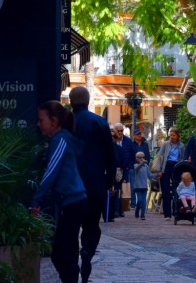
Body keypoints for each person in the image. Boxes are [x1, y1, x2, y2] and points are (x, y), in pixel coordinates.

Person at [31, 101, 88, 283]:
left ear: (53, 121)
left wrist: (36, 200)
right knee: (66, 252)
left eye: (41, 120)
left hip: (73, 202)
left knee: (61, 253)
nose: (39, 124)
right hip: (73, 202)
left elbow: (51, 172)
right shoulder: (62, 138)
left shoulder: (60, 139)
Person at [68, 86, 116, 282]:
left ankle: (71, 266)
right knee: (91, 226)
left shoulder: (66, 123)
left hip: (70, 186)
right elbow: (110, 154)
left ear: (71, 102)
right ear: (87, 101)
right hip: (95, 184)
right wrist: (110, 180)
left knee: (70, 227)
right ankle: (87, 251)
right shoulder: (100, 122)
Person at [152, 126, 184, 219]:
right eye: (170, 135)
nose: (172, 137)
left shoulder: (181, 146)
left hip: (176, 167)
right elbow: (159, 156)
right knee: (165, 190)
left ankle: (176, 211)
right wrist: (159, 169)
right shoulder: (165, 144)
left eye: (174, 135)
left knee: (176, 190)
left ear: (177, 136)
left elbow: (182, 158)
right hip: (166, 167)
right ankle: (167, 214)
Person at [111, 123, 133, 217]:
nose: (120, 132)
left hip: (125, 168)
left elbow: (132, 154)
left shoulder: (128, 141)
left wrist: (129, 165)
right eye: (118, 131)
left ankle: (121, 209)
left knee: (122, 189)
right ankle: (116, 209)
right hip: (114, 167)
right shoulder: (112, 141)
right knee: (115, 189)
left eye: (121, 131)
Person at [128, 128, 151, 211]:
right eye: (137, 134)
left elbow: (147, 155)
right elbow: (130, 155)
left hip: (143, 167)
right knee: (134, 185)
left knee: (143, 184)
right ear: (134, 135)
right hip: (134, 167)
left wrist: (146, 165)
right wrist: (131, 165)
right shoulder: (131, 144)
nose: (139, 135)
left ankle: (142, 204)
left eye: (140, 134)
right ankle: (134, 204)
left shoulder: (145, 144)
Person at [132, 152, 151, 220]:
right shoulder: (135, 165)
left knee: (144, 201)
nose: (142, 159)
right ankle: (137, 210)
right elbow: (137, 168)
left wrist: (157, 175)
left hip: (144, 186)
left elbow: (149, 175)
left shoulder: (146, 166)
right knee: (139, 200)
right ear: (136, 158)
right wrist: (142, 163)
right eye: (140, 158)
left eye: (143, 157)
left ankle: (143, 215)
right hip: (138, 186)